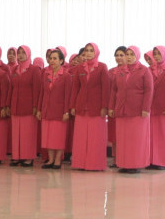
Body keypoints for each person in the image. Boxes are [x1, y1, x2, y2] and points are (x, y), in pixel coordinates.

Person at [108, 45, 153, 174]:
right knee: (122, 139)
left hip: (137, 111)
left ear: (137, 56)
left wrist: (146, 108)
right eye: (127, 54)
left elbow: (149, 91)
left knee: (135, 139)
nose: (129, 57)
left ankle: (135, 164)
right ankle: (123, 163)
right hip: (121, 110)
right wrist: (112, 106)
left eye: (131, 54)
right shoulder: (121, 71)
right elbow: (114, 90)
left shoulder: (144, 71)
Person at [70, 42, 109, 171]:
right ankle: (80, 163)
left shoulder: (102, 67)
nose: (88, 53)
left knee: (95, 137)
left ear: (96, 52)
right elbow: (75, 88)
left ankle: (95, 164)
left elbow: (105, 88)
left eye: (91, 50)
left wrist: (104, 106)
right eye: (87, 50)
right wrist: (73, 105)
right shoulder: (80, 68)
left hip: (96, 108)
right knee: (80, 137)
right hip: (81, 106)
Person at [38, 49, 72, 168]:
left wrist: (66, 111)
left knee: (58, 136)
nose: (52, 61)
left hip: (59, 111)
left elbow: (68, 95)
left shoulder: (66, 75)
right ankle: (50, 160)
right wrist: (39, 109)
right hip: (47, 109)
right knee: (47, 136)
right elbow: (42, 93)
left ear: (61, 60)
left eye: (55, 58)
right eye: (50, 58)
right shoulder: (46, 74)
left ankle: (58, 160)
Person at [9, 45, 42, 167]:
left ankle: (27, 157)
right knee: (16, 133)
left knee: (28, 134)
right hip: (15, 106)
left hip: (29, 107)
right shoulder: (15, 70)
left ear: (28, 54)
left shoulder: (34, 70)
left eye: (23, 52)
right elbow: (11, 88)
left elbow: (37, 90)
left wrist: (35, 106)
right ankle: (17, 156)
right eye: (19, 52)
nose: (21, 55)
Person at [108, 46, 126, 164]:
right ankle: (115, 158)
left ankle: (124, 157)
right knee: (114, 134)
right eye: (117, 55)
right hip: (112, 106)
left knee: (124, 134)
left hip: (124, 107)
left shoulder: (129, 71)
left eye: (121, 55)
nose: (119, 58)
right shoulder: (110, 71)